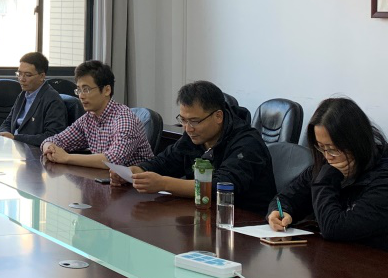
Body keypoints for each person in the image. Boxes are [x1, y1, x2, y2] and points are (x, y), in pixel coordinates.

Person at [268, 97, 388, 260]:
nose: (327, 157)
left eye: (332, 149)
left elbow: (334, 228)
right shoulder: (328, 165)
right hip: (345, 261)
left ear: (356, 142)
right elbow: (286, 197)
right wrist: (279, 211)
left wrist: (326, 179)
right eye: (321, 147)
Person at [113, 80, 274, 213]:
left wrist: (163, 184)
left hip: (245, 222)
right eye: (183, 120)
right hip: (204, 214)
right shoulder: (195, 136)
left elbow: (221, 185)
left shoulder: (247, 143)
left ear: (218, 116)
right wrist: (135, 172)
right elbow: (166, 161)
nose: (188, 128)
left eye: (195, 121)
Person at [40, 60, 152, 168]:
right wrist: (49, 148)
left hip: (134, 180)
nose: (81, 96)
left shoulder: (124, 119)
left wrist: (67, 158)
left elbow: (114, 159)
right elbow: (54, 140)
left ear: (107, 90)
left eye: (86, 89)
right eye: (79, 90)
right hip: (103, 178)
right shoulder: (88, 118)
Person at [0, 51, 68, 146]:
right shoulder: (23, 94)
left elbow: (52, 137)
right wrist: (4, 134)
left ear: (42, 76)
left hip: (33, 151)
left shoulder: (52, 100)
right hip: (14, 147)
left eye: (27, 75)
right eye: (19, 74)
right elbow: (8, 122)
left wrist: (15, 138)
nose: (21, 79)